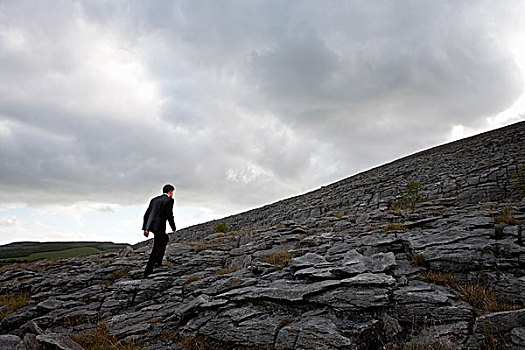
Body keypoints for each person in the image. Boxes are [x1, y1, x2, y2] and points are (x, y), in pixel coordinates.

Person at [142, 184, 176, 277]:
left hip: (152, 226)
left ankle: (158, 262)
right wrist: (173, 227)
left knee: (163, 240)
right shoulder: (169, 200)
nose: (173, 194)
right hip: (160, 225)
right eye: (172, 192)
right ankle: (148, 270)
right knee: (157, 246)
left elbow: (147, 214)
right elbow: (169, 215)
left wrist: (146, 228)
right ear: (170, 192)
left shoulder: (154, 200)